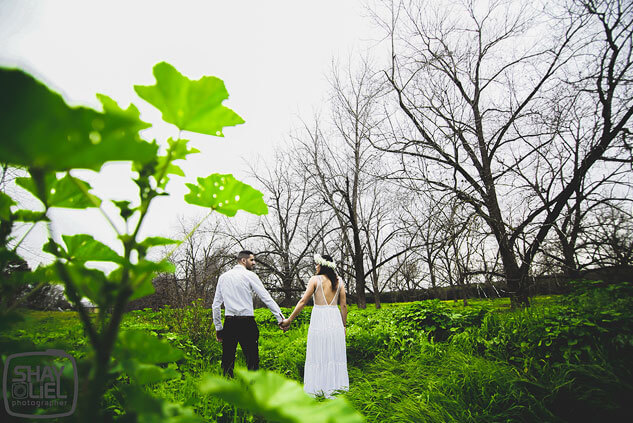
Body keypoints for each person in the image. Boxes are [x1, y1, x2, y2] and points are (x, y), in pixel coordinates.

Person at [281, 253, 349, 398]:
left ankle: (318, 388)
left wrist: (290, 319)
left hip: (319, 318)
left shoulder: (315, 280)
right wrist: (343, 325)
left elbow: (303, 301)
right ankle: (335, 387)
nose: (316, 266)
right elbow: (343, 305)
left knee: (319, 352)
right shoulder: (339, 281)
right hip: (334, 318)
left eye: (317, 264)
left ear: (322, 265)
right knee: (333, 352)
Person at [212, 250, 286, 377]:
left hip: (229, 323)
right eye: (252, 260)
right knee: (252, 358)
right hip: (247, 323)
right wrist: (281, 319)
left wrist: (219, 328)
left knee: (227, 359)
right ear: (243, 260)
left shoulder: (223, 277)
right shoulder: (250, 276)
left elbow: (216, 305)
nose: (254, 263)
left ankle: (226, 389)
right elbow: (266, 298)